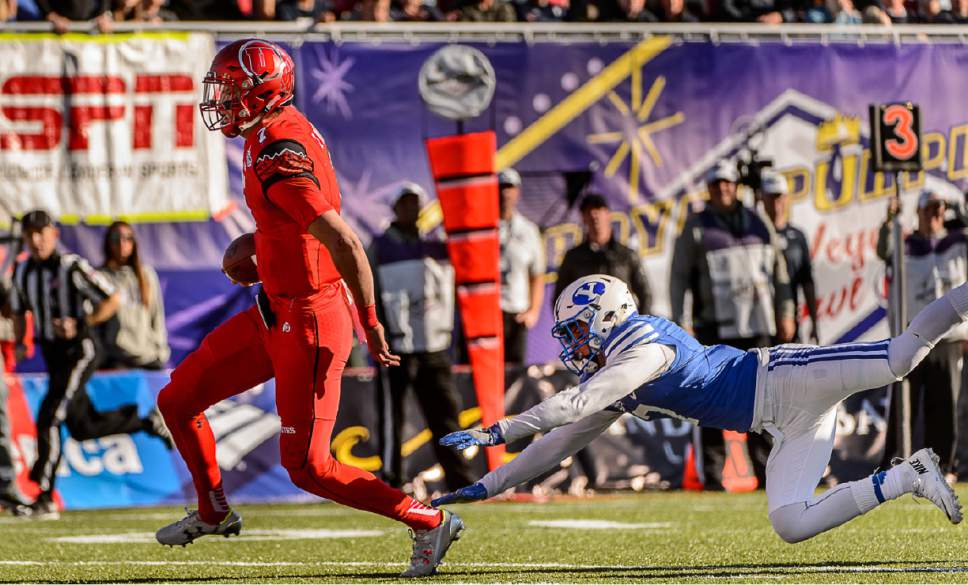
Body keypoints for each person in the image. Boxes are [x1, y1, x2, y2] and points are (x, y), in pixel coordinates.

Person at [154, 40, 462, 577]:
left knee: (307, 467)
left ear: (260, 89)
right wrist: (262, 245)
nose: (222, 100)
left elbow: (344, 241)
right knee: (178, 399)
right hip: (275, 310)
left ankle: (428, 521)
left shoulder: (278, 152)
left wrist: (370, 321)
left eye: (230, 88)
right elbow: (296, 225)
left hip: (312, 321)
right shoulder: (268, 134)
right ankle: (213, 511)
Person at [434, 274, 964, 544]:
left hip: (788, 376)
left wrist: (498, 430)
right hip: (782, 420)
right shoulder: (620, 366)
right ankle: (907, 477)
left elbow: (577, 403)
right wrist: (493, 484)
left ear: (605, 315)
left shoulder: (644, 348)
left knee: (899, 356)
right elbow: (565, 439)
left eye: (576, 330)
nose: (572, 345)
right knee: (790, 524)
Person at [9, 210, 173, 520]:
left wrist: (81, 322)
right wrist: (20, 342)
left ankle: (44, 497)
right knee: (83, 426)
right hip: (53, 354)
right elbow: (19, 311)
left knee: (50, 415)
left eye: (40, 233)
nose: (35, 240)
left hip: (80, 350)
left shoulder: (71, 266)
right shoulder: (23, 273)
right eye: (30, 234)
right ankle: (145, 421)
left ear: (53, 234)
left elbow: (112, 300)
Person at [670, 161, 794, 491]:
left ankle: (769, 476)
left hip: (757, 325)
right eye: (715, 184)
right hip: (713, 327)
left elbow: (779, 272)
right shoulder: (696, 226)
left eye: (727, 183)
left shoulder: (758, 220)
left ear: (736, 185)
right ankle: (713, 477)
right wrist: (681, 322)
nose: (721, 189)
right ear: (708, 189)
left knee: (764, 402)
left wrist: (786, 310)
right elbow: (678, 276)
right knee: (709, 402)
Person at [368, 183, 475, 492]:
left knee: (446, 416)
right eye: (405, 203)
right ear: (394, 208)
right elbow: (369, 292)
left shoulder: (437, 245)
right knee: (393, 419)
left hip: (434, 345)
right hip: (396, 346)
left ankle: (461, 479)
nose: (412, 209)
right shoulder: (379, 247)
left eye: (416, 203)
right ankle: (391, 480)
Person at [877, 190, 968, 475]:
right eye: (929, 209)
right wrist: (889, 220)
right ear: (918, 213)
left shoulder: (959, 241)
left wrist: (960, 209)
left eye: (939, 209)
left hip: (948, 337)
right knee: (904, 405)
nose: (935, 214)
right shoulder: (903, 244)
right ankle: (892, 465)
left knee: (944, 407)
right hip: (911, 336)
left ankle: (941, 468)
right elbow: (883, 249)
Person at [554, 194, 651, 315]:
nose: (594, 215)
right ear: (583, 218)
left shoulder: (627, 255)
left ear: (608, 214)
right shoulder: (573, 257)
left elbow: (645, 294)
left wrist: (639, 326)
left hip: (622, 324)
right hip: (587, 326)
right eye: (589, 211)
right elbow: (559, 298)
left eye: (599, 209)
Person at [97, 221, 170, 370]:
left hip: (148, 357)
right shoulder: (99, 277)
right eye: (116, 238)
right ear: (108, 243)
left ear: (134, 243)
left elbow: (156, 315)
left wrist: (161, 351)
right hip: (116, 359)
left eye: (128, 237)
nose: (122, 243)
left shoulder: (146, 274)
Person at [759, 172, 820, 344]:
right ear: (762, 199)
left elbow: (807, 281)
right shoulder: (753, 237)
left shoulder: (797, 236)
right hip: (761, 325)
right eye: (770, 197)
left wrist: (815, 323)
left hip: (789, 323)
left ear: (786, 198)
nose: (775, 203)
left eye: (779, 197)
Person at [498, 168, 545, 364]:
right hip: (489, 313)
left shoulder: (528, 229)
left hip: (516, 312)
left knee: (515, 373)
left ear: (517, 192)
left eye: (510, 187)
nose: (505, 193)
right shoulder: (482, 227)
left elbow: (537, 274)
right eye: (501, 187)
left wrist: (533, 311)